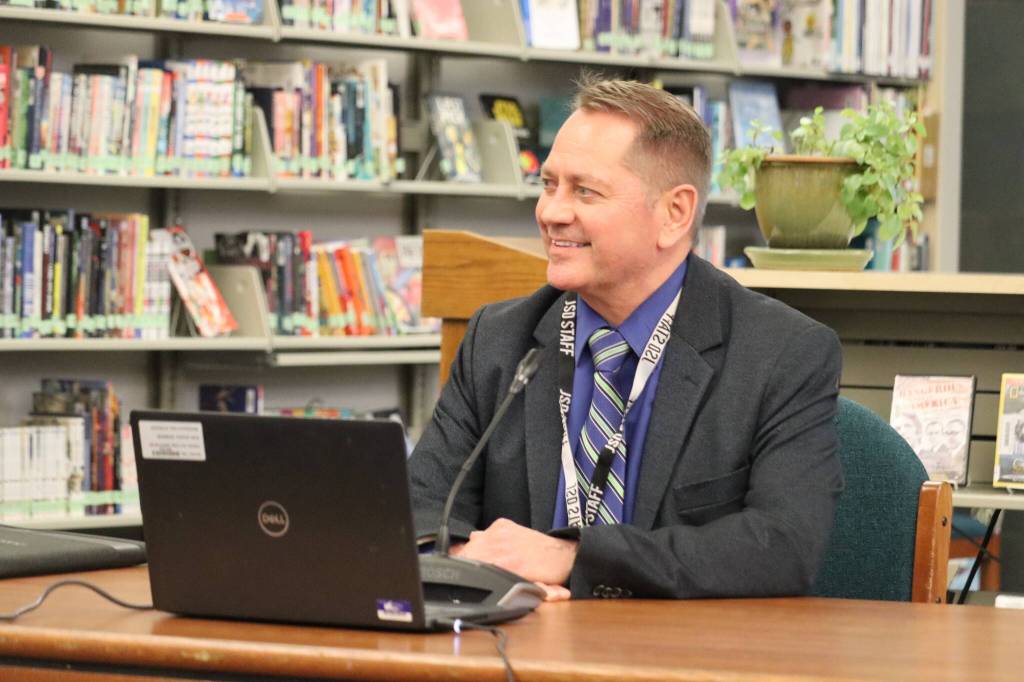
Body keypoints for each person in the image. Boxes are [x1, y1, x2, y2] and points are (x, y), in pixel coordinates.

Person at [408, 77, 843, 602]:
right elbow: (421, 509)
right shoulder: (498, 341)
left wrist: (574, 558)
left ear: (674, 214)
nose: (551, 212)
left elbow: (782, 546)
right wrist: (469, 565)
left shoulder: (782, 354)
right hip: (516, 648)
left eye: (584, 190)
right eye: (549, 184)